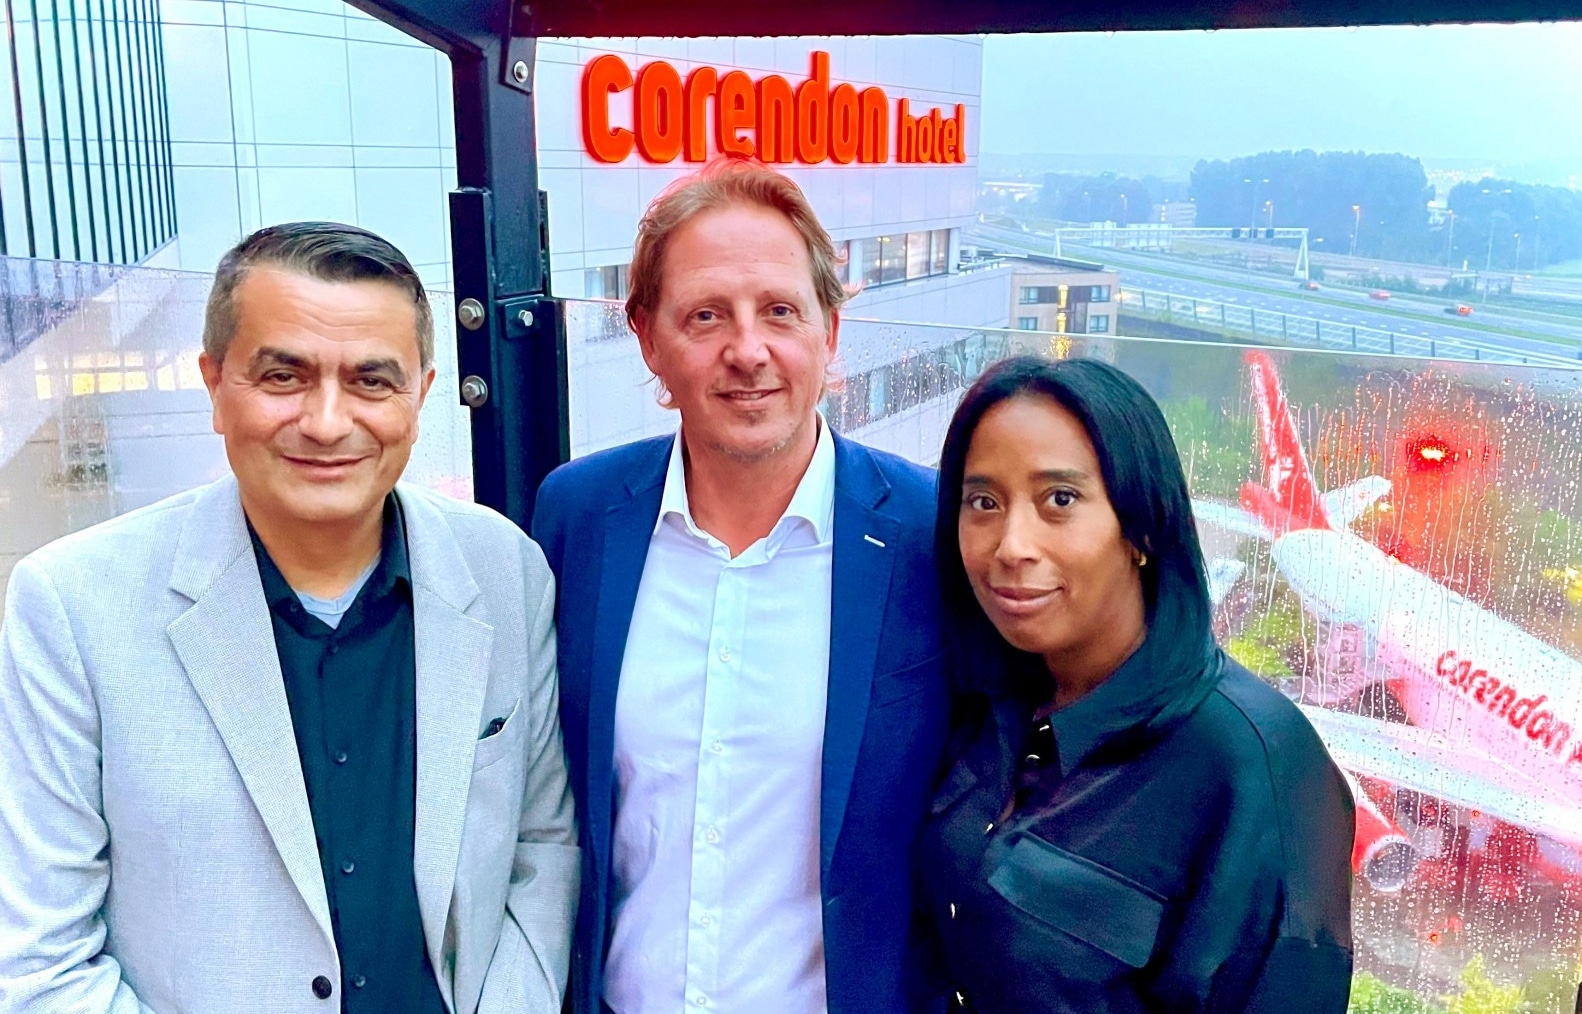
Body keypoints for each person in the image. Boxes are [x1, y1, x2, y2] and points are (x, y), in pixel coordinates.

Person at [0, 222, 579, 1013]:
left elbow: (541, 851)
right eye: (283, 376)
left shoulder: (504, 571)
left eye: (372, 380)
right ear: (214, 384)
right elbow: (42, 959)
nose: (327, 422)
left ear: (420, 396)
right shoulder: (73, 604)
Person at [532, 158, 948, 1014]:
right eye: (706, 315)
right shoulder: (579, 516)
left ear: (830, 331)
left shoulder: (926, 532)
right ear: (648, 338)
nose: (748, 351)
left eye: (781, 311)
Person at [917, 355, 1354, 1013]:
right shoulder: (990, 699)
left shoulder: (1257, 766)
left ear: (1141, 528)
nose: (1009, 545)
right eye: (983, 502)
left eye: (1059, 500)